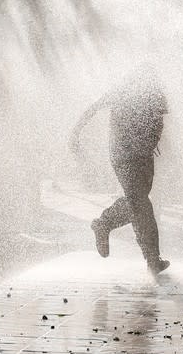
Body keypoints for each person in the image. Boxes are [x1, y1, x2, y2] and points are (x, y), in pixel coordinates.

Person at [69, 65, 170, 275]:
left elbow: (159, 122)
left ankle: (104, 224)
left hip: (144, 156)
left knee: (136, 201)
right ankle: (152, 259)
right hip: (124, 156)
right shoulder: (123, 90)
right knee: (140, 202)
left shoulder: (155, 93)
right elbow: (93, 107)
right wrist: (75, 132)